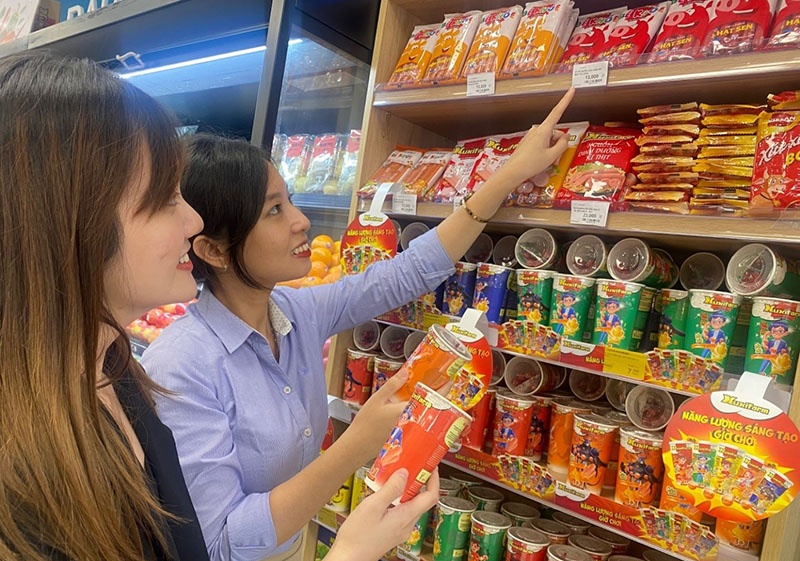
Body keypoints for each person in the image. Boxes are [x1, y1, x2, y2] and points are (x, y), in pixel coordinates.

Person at [0, 50, 439, 561]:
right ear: (77, 222)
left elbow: (394, 279)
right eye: (165, 199)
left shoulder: (119, 373)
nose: (192, 223)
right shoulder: (30, 474)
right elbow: (216, 543)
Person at [142, 89, 575, 560]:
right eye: (274, 210)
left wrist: (510, 173)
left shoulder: (296, 312)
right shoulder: (180, 366)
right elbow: (218, 544)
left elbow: (407, 272)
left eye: (290, 201)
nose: (301, 221)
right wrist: (356, 445)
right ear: (213, 250)